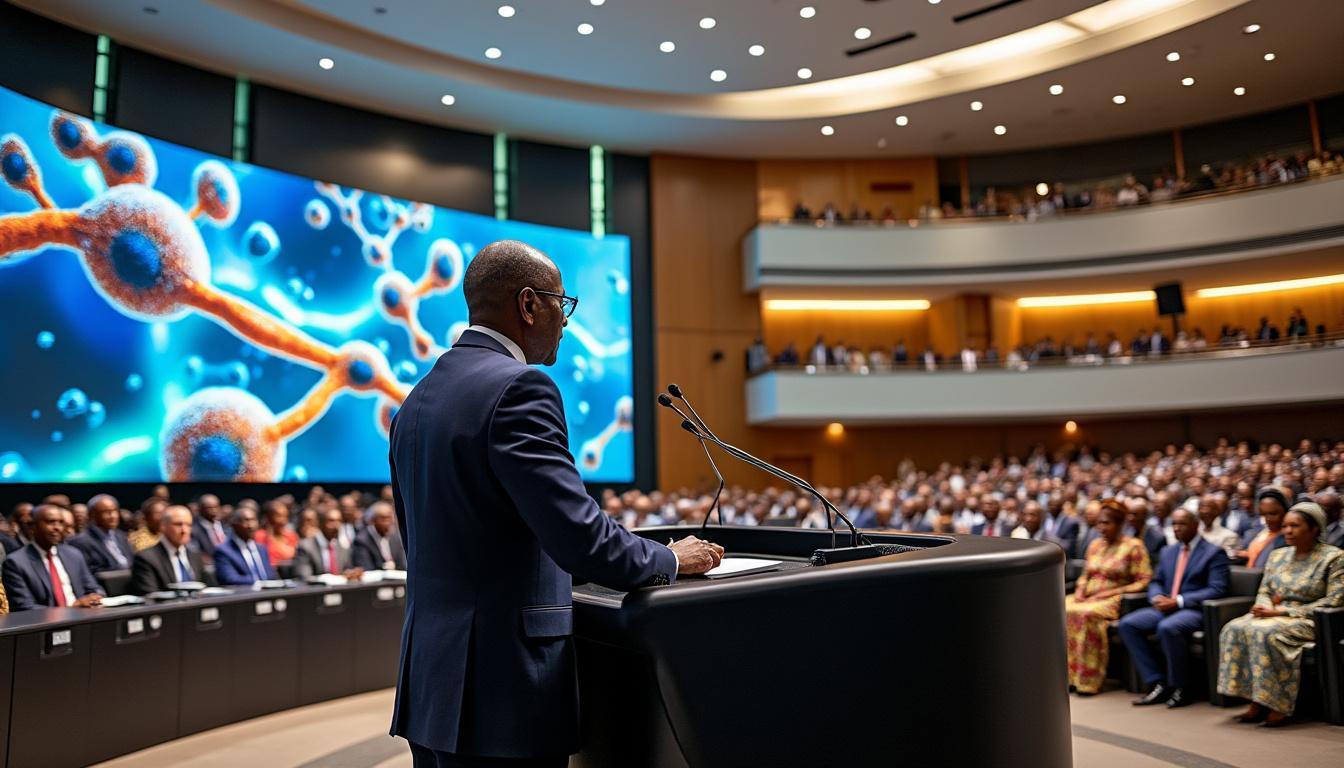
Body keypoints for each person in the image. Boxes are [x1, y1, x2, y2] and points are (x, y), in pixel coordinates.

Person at [388, 240, 720, 766]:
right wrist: (673, 558)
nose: (564, 323)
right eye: (561, 305)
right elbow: (581, 540)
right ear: (528, 305)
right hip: (500, 691)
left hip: (432, 681)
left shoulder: (417, 401)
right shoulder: (519, 388)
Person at [1217, 501, 1343, 727]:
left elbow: (1335, 600)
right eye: (1285, 526)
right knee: (1234, 627)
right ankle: (1255, 698)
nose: (1287, 531)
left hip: (1309, 619)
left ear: (1314, 529)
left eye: (1295, 526)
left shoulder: (1334, 558)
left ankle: (1277, 703)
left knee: (1267, 633)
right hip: (1272, 613)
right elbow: (1265, 590)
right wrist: (1263, 607)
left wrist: (1282, 610)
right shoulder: (1278, 555)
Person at [1118, 508, 1230, 708]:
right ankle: (1157, 682)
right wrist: (1156, 597)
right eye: (1174, 524)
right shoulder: (1168, 551)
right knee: (1128, 624)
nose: (1177, 528)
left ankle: (1181, 687)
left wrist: (1178, 601)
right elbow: (1156, 581)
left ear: (1196, 526)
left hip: (1193, 610)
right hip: (1164, 606)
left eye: (1182, 524)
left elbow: (1216, 589)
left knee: (1168, 627)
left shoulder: (1213, 553)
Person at [1065, 501, 1152, 694]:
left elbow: (1144, 580)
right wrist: (1080, 590)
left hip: (1115, 599)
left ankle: (1088, 679)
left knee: (1086, 614)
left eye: (1106, 523)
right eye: (1099, 523)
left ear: (1119, 524)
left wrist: (1112, 592)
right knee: (1059, 608)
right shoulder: (1095, 545)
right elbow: (1085, 575)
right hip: (1089, 596)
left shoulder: (1133, 546)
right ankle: (1069, 676)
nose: (1101, 528)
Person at [1, 504, 104, 611]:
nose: (57, 528)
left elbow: (93, 587)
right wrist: (71, 608)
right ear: (33, 526)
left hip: (84, 619)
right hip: (47, 625)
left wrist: (95, 597)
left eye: (61, 522)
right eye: (51, 522)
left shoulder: (73, 554)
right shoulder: (16, 562)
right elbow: (24, 607)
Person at [130, 505, 210, 594]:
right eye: (178, 524)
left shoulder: (195, 555)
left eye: (189, 525)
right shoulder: (146, 558)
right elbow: (149, 595)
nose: (184, 530)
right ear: (163, 526)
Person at [67, 493, 135, 573]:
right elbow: (86, 573)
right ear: (92, 514)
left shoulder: (121, 536)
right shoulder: (80, 542)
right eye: (107, 512)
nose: (113, 516)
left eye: (115, 511)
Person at [212, 506, 277, 586]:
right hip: (243, 596)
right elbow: (229, 579)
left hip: (269, 595)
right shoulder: (223, 551)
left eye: (254, 520)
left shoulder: (262, 549)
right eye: (246, 521)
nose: (251, 526)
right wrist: (260, 582)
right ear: (234, 525)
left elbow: (270, 575)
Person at [293, 507, 363, 580]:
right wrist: (326, 579)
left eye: (339, 521)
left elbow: (346, 571)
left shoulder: (342, 547)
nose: (336, 525)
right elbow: (304, 577)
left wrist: (351, 574)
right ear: (321, 523)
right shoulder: (305, 547)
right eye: (331, 521)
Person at [1240, 487, 1289, 567]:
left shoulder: (1288, 537)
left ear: (1285, 512)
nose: (1268, 519)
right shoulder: (1262, 531)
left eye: (1273, 514)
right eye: (1264, 514)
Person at [353, 501, 407, 571]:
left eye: (390, 518)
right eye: (384, 518)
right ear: (372, 520)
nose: (388, 522)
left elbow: (402, 565)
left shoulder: (396, 538)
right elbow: (366, 568)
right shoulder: (361, 540)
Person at [254, 499, 299, 565]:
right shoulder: (260, 536)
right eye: (279, 516)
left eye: (285, 516)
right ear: (269, 517)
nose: (283, 520)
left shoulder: (292, 536)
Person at [190, 493, 227, 560]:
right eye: (209, 508)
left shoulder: (224, 526)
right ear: (200, 509)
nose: (214, 510)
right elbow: (195, 553)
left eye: (216, 507)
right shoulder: (194, 530)